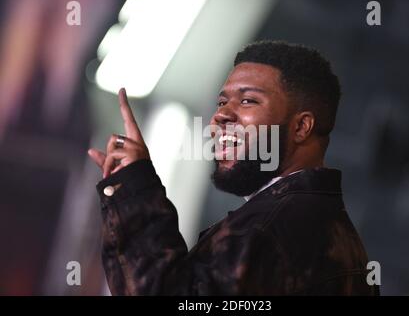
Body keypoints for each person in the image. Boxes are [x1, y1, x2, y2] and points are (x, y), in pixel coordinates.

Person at [88, 40, 379, 295]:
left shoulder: (271, 231)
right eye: (222, 101)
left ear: (302, 127)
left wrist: (135, 191)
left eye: (248, 100)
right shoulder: (329, 233)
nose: (221, 115)